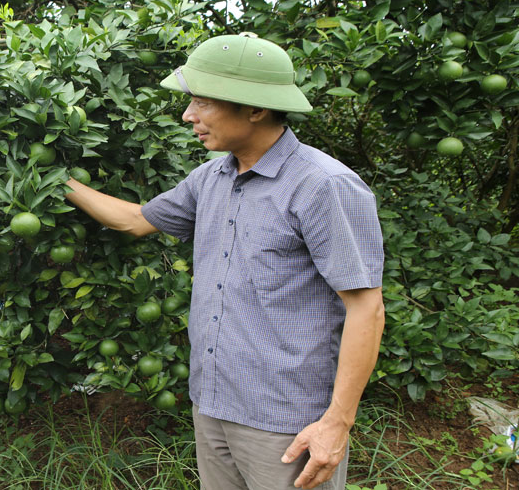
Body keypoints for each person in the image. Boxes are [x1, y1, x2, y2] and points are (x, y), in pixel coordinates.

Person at [64, 33, 385, 490]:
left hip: (284, 420)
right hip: (212, 403)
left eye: (201, 102)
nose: (187, 115)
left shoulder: (322, 185)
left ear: (254, 109)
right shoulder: (211, 177)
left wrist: (337, 423)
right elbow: (136, 220)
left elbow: (365, 308)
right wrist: (58, 182)